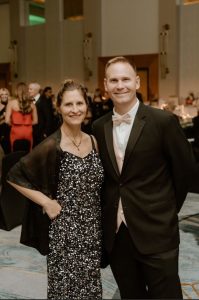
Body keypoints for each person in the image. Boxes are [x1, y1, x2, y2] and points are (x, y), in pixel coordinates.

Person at [92, 56, 196, 299]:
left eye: (126, 79)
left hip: (157, 230)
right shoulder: (99, 126)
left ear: (137, 82)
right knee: (130, 294)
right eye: (114, 80)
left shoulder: (163, 121)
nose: (120, 85)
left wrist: (165, 210)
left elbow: (185, 172)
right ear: (106, 85)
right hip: (118, 235)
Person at [7, 79, 104, 300]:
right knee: (65, 291)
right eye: (69, 104)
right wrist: (46, 202)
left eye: (80, 103)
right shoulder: (53, 144)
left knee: (90, 289)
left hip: (92, 230)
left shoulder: (94, 141)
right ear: (59, 108)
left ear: (86, 106)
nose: (75, 109)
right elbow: (14, 176)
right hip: (64, 232)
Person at [5, 82, 38, 152]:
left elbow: (6, 121)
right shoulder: (32, 105)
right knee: (28, 152)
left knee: (14, 152)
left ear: (16, 91)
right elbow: (35, 121)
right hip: (28, 130)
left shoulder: (11, 103)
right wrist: (27, 124)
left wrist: (13, 124)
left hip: (15, 130)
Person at [0, 88, 10, 153]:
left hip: (10, 130)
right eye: (2, 94)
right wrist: (3, 117)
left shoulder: (11, 104)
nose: (4, 96)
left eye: (6, 94)